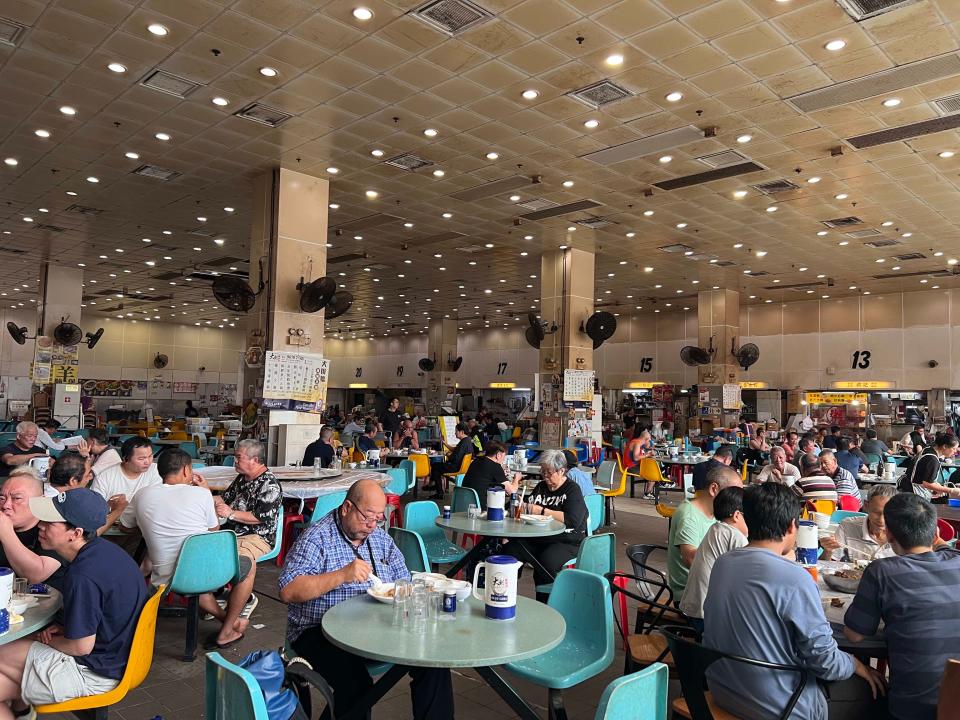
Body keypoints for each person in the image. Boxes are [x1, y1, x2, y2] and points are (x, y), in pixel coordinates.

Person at [703, 483, 885, 720]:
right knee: (875, 692)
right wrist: (857, 665)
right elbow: (826, 661)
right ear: (792, 526)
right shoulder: (794, 577)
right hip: (779, 707)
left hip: (724, 691)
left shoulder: (724, 563)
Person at [279, 480, 454, 719]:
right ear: (346, 508)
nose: (372, 526)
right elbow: (289, 590)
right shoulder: (316, 538)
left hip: (376, 625)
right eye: (366, 517)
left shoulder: (379, 539)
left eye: (378, 518)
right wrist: (341, 575)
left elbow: (403, 581)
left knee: (432, 663)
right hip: (317, 632)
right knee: (356, 686)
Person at [0, 489, 147, 718]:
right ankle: (22, 710)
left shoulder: (83, 575)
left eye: (50, 522)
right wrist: (70, 628)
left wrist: (48, 639)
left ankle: (22, 707)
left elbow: (80, 647)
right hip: (116, 658)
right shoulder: (105, 551)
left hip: (94, 673)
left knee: (2, 652)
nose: (41, 525)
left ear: (75, 533)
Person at [844, 493, 960, 720]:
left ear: (888, 534)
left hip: (912, 709)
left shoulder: (881, 571)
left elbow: (854, 636)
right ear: (935, 532)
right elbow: (946, 550)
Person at [202, 439, 281, 644]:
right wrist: (205, 491)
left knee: (242, 563)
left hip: (257, 536)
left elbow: (259, 517)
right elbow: (225, 501)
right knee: (201, 552)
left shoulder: (269, 484)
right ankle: (222, 596)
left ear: (255, 460)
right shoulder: (242, 478)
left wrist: (231, 514)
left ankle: (239, 605)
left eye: (238, 457)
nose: (234, 461)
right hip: (232, 532)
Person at [507, 449, 587, 587]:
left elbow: (573, 520)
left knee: (545, 562)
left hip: (566, 540)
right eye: (543, 472)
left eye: (549, 473)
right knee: (509, 552)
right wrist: (519, 503)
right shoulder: (541, 487)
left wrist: (542, 511)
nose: (545, 476)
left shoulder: (572, 490)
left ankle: (549, 601)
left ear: (561, 471)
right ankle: (506, 592)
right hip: (538, 537)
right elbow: (527, 505)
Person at [667, 463, 742, 601]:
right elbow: (690, 559)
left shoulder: (716, 513)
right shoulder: (689, 515)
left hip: (711, 588)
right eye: (733, 493)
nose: (738, 499)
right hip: (691, 596)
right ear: (714, 489)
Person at [678, 486, 747, 629]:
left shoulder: (716, 529)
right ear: (736, 516)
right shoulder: (735, 536)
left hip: (691, 608)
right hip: (707, 616)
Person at [0, 468, 67, 589]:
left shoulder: (54, 528)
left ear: (39, 501)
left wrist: (5, 532)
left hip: (46, 605)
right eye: (2, 498)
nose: (6, 505)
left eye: (17, 498)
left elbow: (36, 575)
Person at [90, 436, 161, 537]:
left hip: (143, 531)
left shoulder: (156, 471)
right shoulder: (105, 477)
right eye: (141, 458)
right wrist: (109, 507)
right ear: (125, 459)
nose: (148, 462)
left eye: (150, 456)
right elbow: (94, 511)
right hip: (111, 533)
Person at [821, 484, 897, 561]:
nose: (881, 520)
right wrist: (828, 551)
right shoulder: (848, 526)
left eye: (888, 513)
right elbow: (828, 565)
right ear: (866, 506)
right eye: (876, 512)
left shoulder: (902, 532)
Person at [897, 432, 960, 502]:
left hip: (907, 487)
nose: (955, 452)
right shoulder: (932, 459)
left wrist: (938, 488)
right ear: (944, 446)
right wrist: (952, 490)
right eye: (954, 448)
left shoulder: (928, 449)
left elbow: (924, 476)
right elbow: (927, 483)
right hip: (913, 493)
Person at [461, 439, 520, 509]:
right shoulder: (495, 467)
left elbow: (483, 478)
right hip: (483, 508)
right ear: (498, 455)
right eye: (504, 456)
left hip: (464, 504)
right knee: (518, 500)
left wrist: (500, 475)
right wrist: (516, 478)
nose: (504, 460)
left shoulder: (476, 461)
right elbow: (513, 492)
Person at [427, 423, 472, 499]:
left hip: (455, 466)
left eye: (456, 431)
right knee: (436, 467)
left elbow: (455, 458)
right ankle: (435, 487)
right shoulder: (467, 441)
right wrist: (445, 443)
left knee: (435, 466)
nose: (455, 433)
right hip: (460, 466)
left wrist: (448, 454)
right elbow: (455, 449)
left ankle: (437, 490)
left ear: (462, 432)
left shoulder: (463, 443)